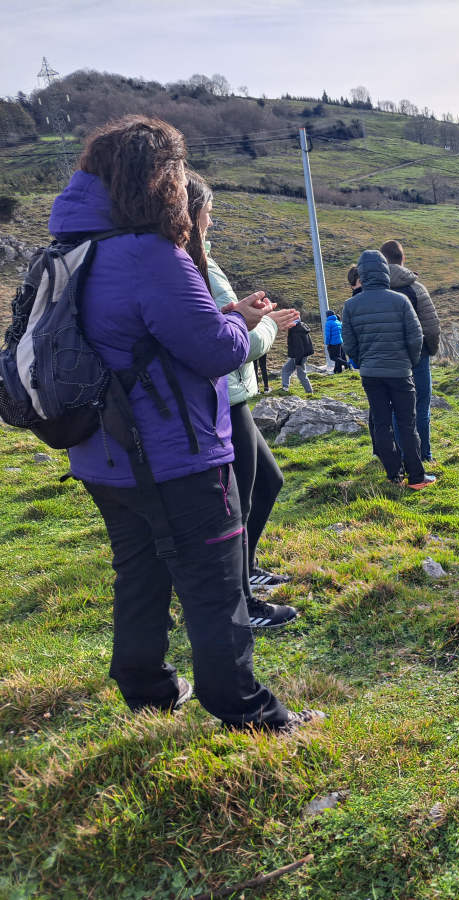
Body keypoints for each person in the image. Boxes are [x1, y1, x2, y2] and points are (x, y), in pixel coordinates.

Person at [51, 115, 321, 731]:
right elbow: (218, 351)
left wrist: (221, 313)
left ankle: (146, 690)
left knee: (139, 574)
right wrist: (256, 326)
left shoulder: (72, 249)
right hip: (175, 455)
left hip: (102, 456)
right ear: (156, 180)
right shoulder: (150, 255)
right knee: (214, 586)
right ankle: (246, 710)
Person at [184, 171, 299, 618]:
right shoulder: (193, 266)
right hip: (225, 396)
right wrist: (267, 324)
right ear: (192, 215)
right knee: (242, 498)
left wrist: (238, 309)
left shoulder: (198, 262)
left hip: (234, 394)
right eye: (208, 213)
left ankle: (246, 570)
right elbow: (226, 343)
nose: (212, 222)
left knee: (266, 482)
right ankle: (242, 603)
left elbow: (215, 320)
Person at [342, 250, 436, 490]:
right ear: (384, 271)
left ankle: (394, 474)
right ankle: (416, 477)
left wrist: (364, 362)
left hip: (371, 375)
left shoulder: (351, 305)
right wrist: (410, 362)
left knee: (382, 423)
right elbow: (416, 336)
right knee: (407, 423)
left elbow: (349, 343)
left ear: (362, 274)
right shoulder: (400, 300)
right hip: (400, 373)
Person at [381, 240, 441, 463]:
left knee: (397, 409)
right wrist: (430, 350)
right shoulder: (417, 288)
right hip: (418, 355)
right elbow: (432, 326)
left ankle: (404, 457)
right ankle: (425, 455)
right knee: (421, 406)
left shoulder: (377, 290)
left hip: (390, 357)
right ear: (402, 259)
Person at [280, 316, 314, 393]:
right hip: (299, 355)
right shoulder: (301, 326)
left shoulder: (295, 331)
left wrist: (298, 362)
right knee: (286, 369)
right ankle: (285, 388)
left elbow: (299, 348)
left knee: (301, 374)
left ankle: (309, 391)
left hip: (299, 356)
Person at [325, 309, 348, 373]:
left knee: (333, 357)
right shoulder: (337, 321)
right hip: (339, 341)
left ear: (327, 315)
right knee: (338, 357)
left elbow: (328, 335)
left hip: (333, 343)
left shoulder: (328, 323)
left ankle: (346, 363)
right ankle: (338, 370)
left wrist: (327, 343)